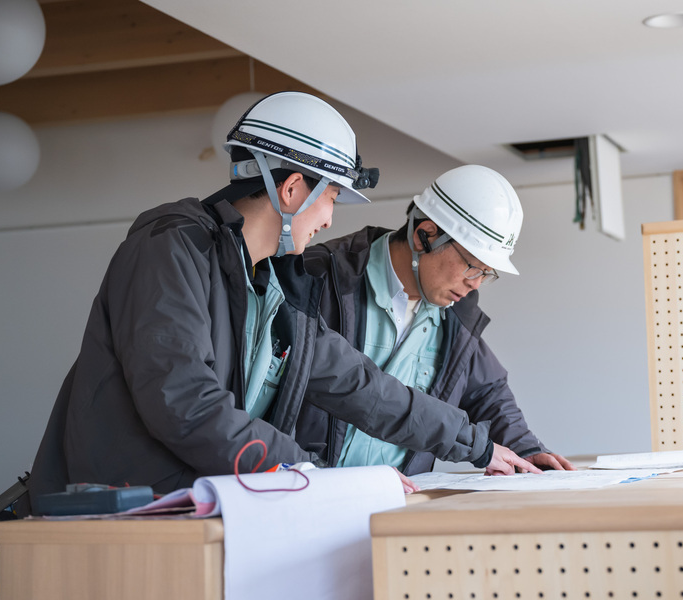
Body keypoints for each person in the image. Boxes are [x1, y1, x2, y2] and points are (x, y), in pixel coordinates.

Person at [27, 92, 533, 508]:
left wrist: (479, 446)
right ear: (292, 189)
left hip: (194, 518)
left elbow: (361, 385)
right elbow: (184, 402)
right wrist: (311, 471)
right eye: (332, 197)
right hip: (116, 525)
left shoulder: (267, 286)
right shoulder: (170, 247)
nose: (330, 220)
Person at [298, 164, 576, 476]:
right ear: (425, 235)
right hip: (308, 493)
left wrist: (526, 450)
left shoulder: (455, 311)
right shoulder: (317, 278)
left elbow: (486, 393)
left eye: (488, 273)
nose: (476, 283)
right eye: (473, 266)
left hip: (399, 506)